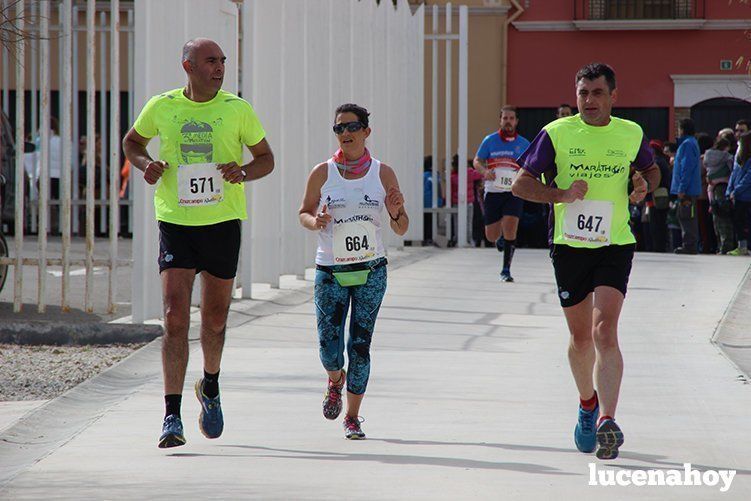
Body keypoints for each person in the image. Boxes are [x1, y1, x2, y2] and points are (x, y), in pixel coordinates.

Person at [122, 38, 274, 448]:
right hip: (176, 220)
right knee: (173, 315)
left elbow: (266, 158)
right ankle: (171, 416)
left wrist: (243, 171)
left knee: (215, 318)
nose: (219, 67)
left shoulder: (237, 109)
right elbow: (132, 143)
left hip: (223, 222)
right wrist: (146, 165)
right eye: (211, 61)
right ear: (188, 65)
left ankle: (210, 384)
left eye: (222, 61)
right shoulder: (163, 105)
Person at [512, 63, 660, 460]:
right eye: (583, 93)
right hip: (570, 245)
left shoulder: (630, 133)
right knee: (580, 340)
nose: (589, 100)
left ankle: (608, 421)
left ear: (614, 96)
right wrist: (560, 194)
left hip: (615, 242)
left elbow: (650, 169)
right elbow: (521, 184)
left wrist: (644, 186)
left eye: (597, 93)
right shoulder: (556, 134)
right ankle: (587, 403)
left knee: (604, 331)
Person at [299, 103, 408, 440]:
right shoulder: (322, 172)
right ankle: (334, 379)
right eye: (339, 129)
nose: (345, 133)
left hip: (371, 270)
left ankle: (352, 416)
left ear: (366, 131)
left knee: (360, 345)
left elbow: (403, 227)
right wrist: (315, 221)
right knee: (329, 346)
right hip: (330, 270)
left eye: (351, 127)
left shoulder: (383, 173)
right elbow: (303, 212)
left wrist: (394, 213)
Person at [473, 105, 530, 282]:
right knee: (491, 234)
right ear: (500, 120)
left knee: (511, 227)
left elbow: (530, 165)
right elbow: (477, 160)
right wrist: (484, 172)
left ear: (516, 121)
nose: (508, 121)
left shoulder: (523, 143)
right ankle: (499, 241)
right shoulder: (489, 141)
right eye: (505, 118)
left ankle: (506, 270)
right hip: (493, 191)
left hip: (513, 192)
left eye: (511, 118)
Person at [671, 118, 701, 254]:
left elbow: (686, 167)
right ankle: (690, 244)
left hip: (687, 190)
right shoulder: (691, 143)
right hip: (689, 188)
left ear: (682, 129)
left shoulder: (687, 144)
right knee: (686, 216)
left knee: (686, 216)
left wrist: (681, 188)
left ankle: (689, 245)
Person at [704, 137, 735, 254]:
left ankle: (719, 245)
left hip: (711, 186)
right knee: (724, 216)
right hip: (722, 186)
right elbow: (732, 170)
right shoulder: (726, 156)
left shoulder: (708, 155)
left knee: (716, 217)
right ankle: (726, 246)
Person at [449, 154, 483, 246]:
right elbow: (480, 174)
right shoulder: (470, 172)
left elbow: (451, 190)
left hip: (456, 202)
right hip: (469, 202)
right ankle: (469, 240)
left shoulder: (453, 176)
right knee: (469, 222)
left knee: (456, 223)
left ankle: (456, 239)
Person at [727, 132, 751, 256]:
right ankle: (741, 246)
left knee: (743, 222)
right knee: (738, 221)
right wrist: (729, 190)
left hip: (746, 196)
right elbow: (734, 175)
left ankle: (744, 247)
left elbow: (748, 178)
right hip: (738, 195)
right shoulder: (740, 159)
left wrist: (736, 191)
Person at [646, 140, 672, 252]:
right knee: (661, 222)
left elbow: (653, 180)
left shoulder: (656, 163)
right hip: (662, 195)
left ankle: (658, 247)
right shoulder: (663, 162)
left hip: (655, 197)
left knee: (655, 224)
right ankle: (661, 245)